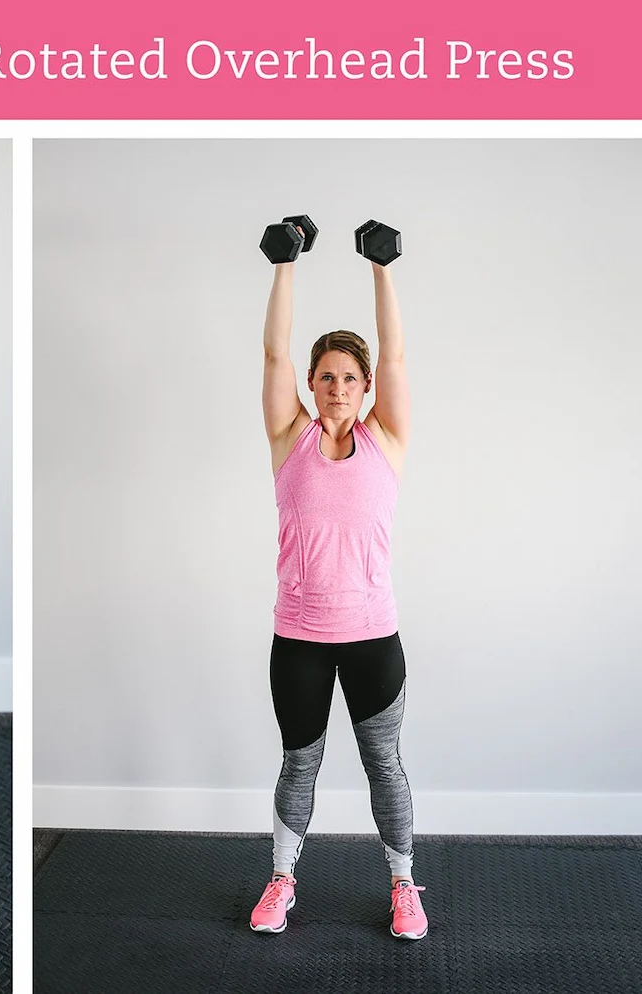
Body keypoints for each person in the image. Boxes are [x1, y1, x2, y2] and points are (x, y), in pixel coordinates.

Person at [248, 243, 427, 940]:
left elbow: (399, 355)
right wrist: (283, 265)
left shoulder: (389, 438)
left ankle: (404, 886)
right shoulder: (287, 436)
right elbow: (272, 356)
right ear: (313, 385)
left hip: (374, 638)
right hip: (298, 639)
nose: (338, 388)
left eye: (351, 377)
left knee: (384, 762)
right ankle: (282, 879)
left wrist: (382, 268)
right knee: (300, 762)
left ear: (366, 385)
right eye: (326, 377)